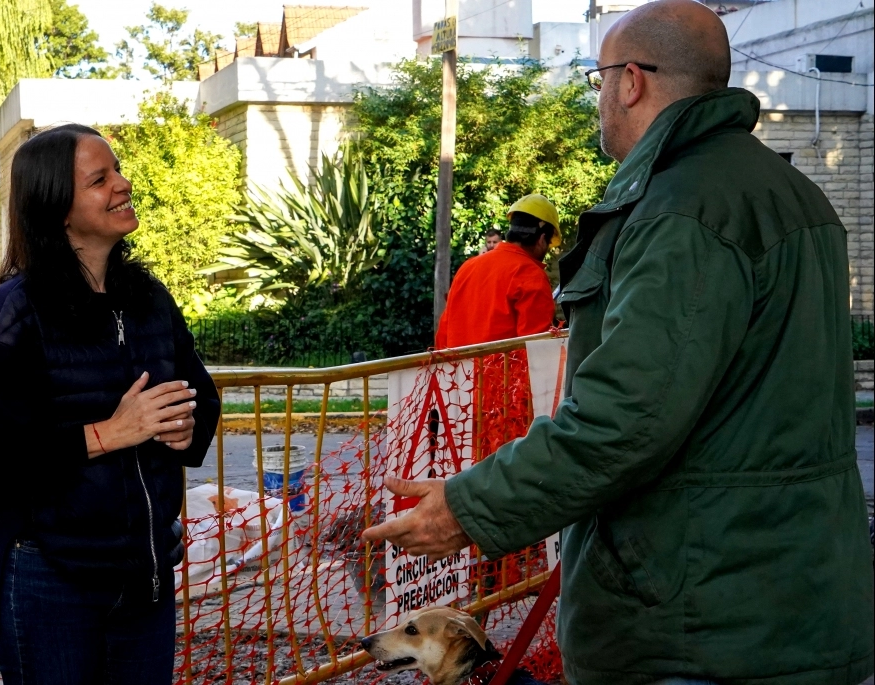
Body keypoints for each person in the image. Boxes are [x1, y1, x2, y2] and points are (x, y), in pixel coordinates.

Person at [363, 2, 874, 684]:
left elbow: (625, 418)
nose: (598, 98)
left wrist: (470, 505)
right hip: (790, 601)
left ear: (630, 80)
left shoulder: (683, 210)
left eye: (598, 79)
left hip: (696, 625)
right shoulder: (793, 193)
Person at [0, 124, 220, 685]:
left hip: (144, 575)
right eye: (101, 179)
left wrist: (185, 424)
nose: (123, 185)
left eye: (117, 170)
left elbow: (199, 392)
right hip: (50, 579)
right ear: (57, 207)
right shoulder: (15, 311)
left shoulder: (148, 298)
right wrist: (108, 433)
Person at [435, 195, 559, 349]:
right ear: (542, 239)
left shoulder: (467, 268)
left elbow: (443, 335)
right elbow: (537, 349)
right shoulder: (530, 275)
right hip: (504, 373)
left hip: (459, 371)